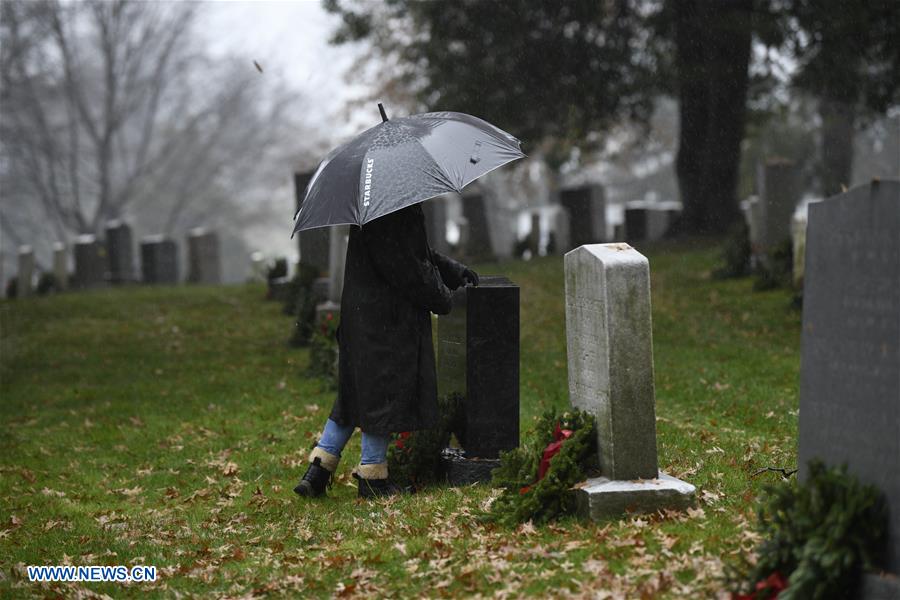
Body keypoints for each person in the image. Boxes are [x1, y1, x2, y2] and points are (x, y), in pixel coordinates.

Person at [294, 202, 478, 499]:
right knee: (383, 395)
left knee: (355, 394)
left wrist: (453, 271)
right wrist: (444, 298)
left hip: (362, 315)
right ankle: (372, 477)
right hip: (386, 321)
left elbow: (417, 252)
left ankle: (318, 470)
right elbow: (409, 268)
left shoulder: (373, 206)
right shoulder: (391, 210)